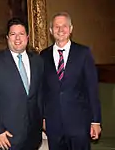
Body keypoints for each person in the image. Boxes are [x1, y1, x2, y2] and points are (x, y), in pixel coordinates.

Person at [40, 12, 102, 150]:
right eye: (56, 26)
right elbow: (42, 90)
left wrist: (96, 121)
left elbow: (92, 88)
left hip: (79, 124)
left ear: (71, 29)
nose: (61, 30)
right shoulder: (43, 56)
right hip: (54, 124)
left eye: (64, 26)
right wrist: (43, 117)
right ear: (51, 30)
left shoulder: (83, 53)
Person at [0, 18, 44, 150]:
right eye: (13, 34)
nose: (17, 38)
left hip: (32, 137)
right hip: (6, 137)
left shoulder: (38, 61)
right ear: (7, 37)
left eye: (21, 34)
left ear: (27, 37)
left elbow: (40, 95)